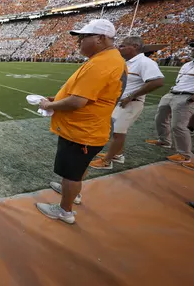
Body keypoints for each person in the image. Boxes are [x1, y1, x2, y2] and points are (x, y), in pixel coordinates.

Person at [37, 19, 127, 224]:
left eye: (84, 37)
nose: (79, 41)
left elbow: (78, 101)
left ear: (100, 38)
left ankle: (64, 210)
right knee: (77, 169)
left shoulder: (102, 62)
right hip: (89, 128)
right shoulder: (109, 58)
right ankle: (73, 192)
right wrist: (57, 99)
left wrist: (48, 106)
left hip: (82, 130)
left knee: (71, 173)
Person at [90, 36, 164, 170]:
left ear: (135, 47)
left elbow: (157, 81)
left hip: (131, 103)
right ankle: (117, 154)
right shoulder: (128, 62)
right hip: (122, 102)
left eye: (123, 46)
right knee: (117, 131)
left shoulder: (145, 62)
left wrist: (131, 96)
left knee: (118, 132)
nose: (120, 48)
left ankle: (107, 161)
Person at [146, 41, 194, 168]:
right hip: (173, 93)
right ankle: (164, 141)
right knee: (160, 118)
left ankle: (184, 154)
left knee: (179, 126)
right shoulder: (187, 64)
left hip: (187, 96)